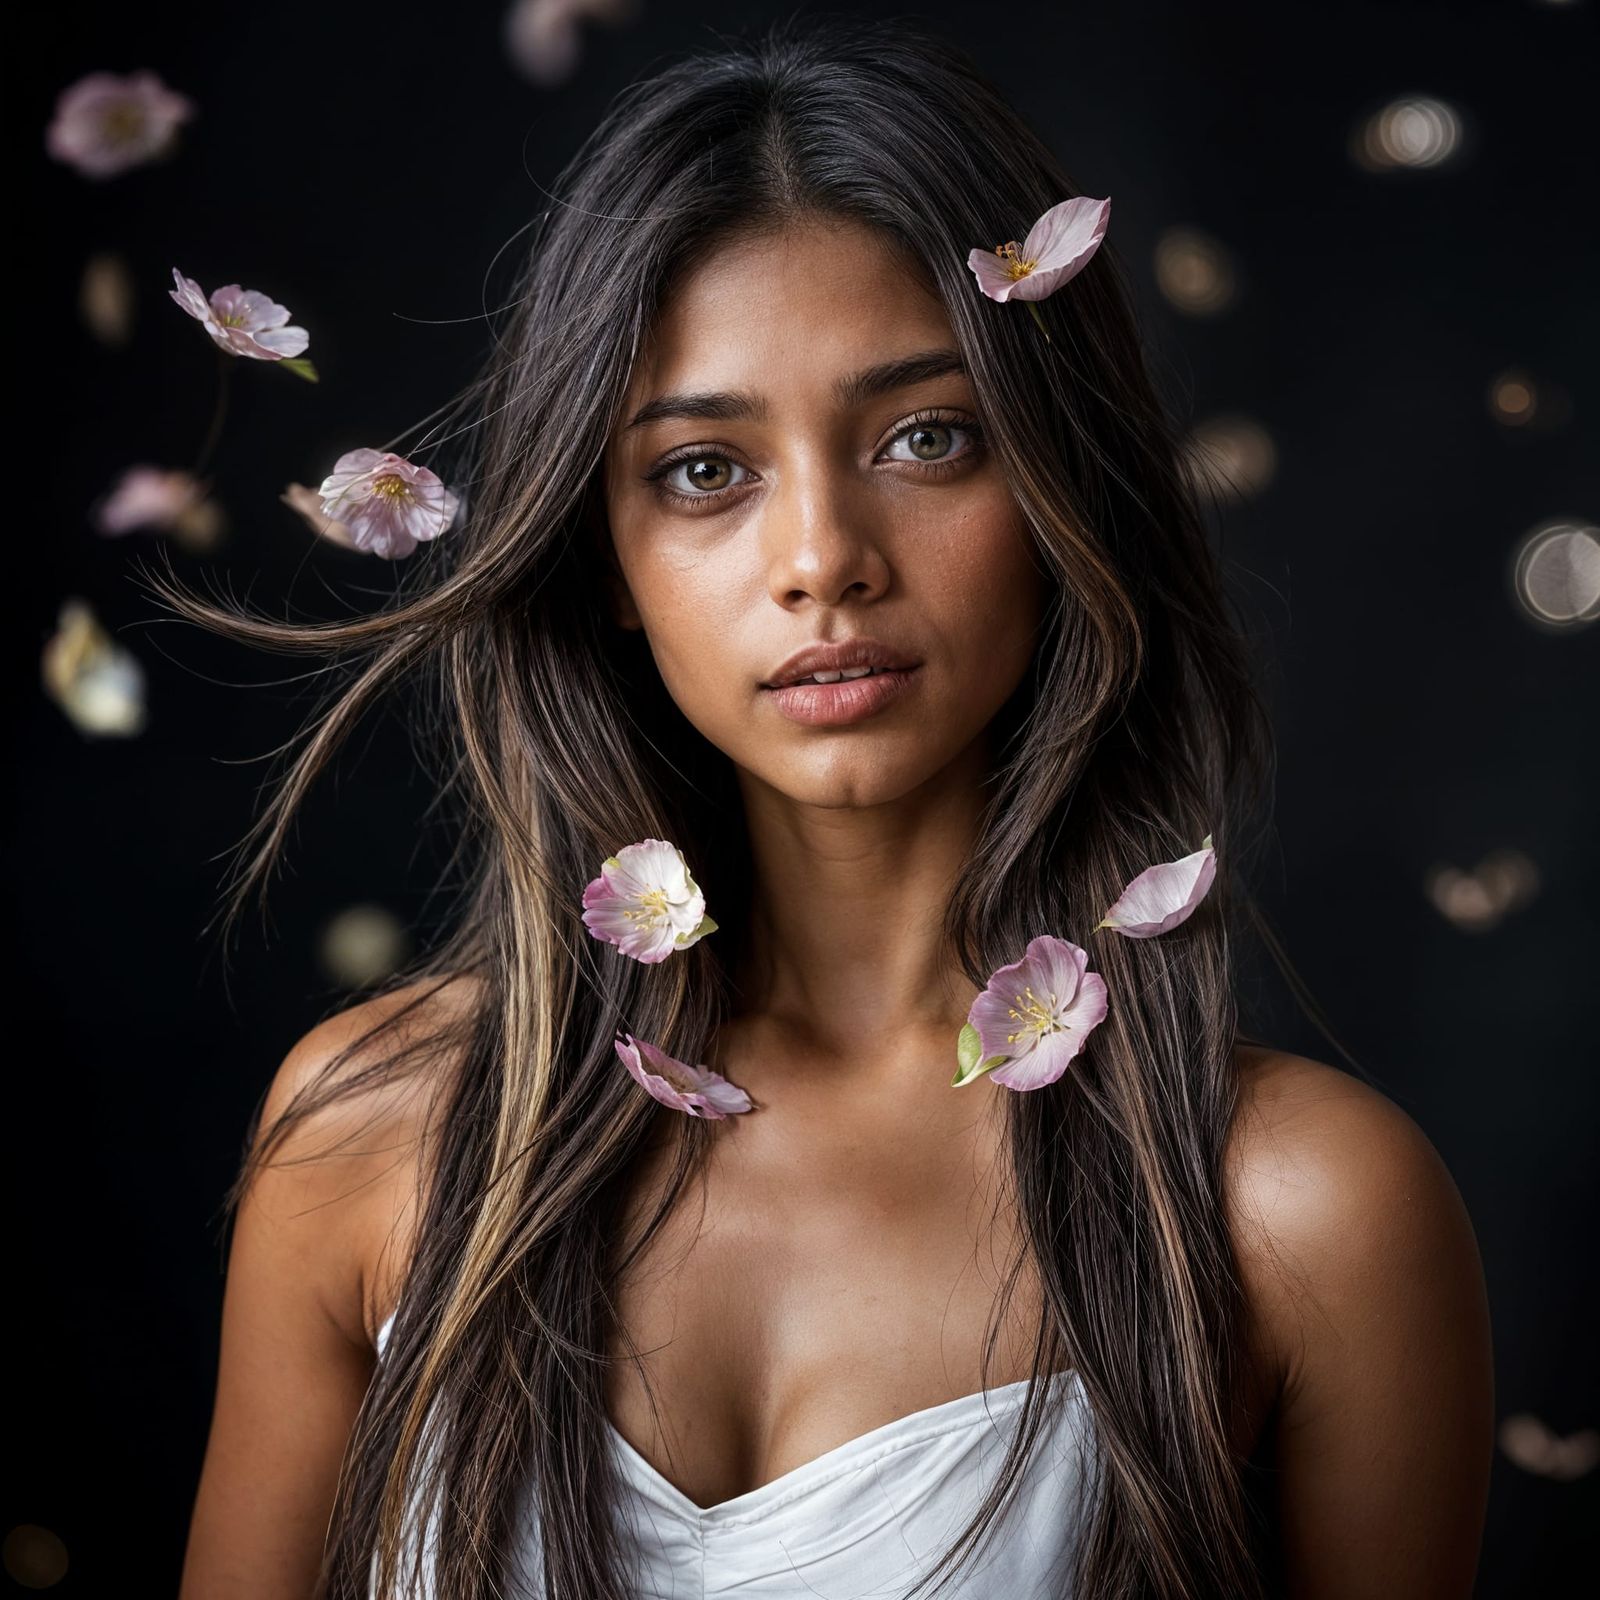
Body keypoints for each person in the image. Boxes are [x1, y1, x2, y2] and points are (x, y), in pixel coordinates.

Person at [174, 17, 1493, 1599]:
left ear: (1065, 488)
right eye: (704, 470)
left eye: (928, 437)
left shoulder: (1306, 1215)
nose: (823, 556)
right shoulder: (373, 1139)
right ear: (603, 552)